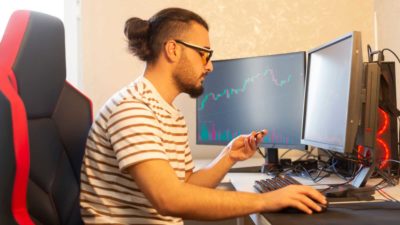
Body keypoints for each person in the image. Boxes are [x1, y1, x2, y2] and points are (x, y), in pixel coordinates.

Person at [80, 7, 327, 225]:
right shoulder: (132, 109)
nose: (210, 66)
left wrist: (228, 156)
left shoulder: (167, 111)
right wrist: (264, 201)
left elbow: (185, 186)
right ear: (173, 49)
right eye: (204, 53)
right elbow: (169, 199)